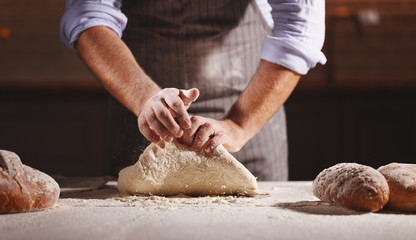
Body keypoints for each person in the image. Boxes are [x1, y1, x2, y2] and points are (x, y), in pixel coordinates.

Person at [60, 0, 326, 181]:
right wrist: (145, 99)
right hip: (141, 115)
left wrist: (239, 124)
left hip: (250, 112)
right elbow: (88, 15)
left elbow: (299, 28)